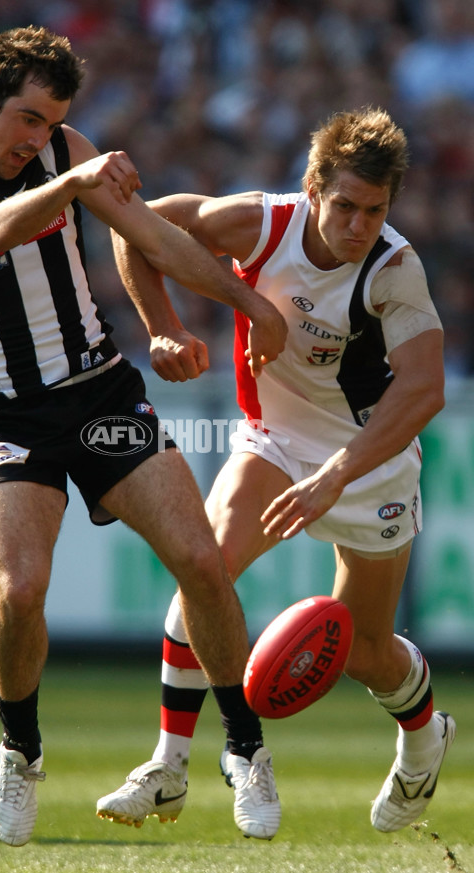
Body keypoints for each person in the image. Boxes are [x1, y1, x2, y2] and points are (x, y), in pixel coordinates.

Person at [0, 25, 288, 847]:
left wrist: (245, 304)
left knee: (201, 560)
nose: (37, 139)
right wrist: (76, 175)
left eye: (51, 124)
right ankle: (20, 747)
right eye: (27, 120)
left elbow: (151, 238)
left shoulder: (65, 150)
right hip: (9, 417)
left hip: (101, 392)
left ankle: (244, 750)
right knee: (21, 591)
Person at [96, 107, 455, 839]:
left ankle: (424, 735)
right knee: (206, 568)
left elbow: (424, 389)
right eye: (346, 206)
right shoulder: (262, 225)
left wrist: (337, 477)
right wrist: (163, 323)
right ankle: (169, 765)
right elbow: (129, 221)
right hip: (274, 440)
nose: (358, 225)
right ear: (313, 189)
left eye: (375, 210)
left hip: (370, 463)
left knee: (363, 653)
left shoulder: (394, 268)